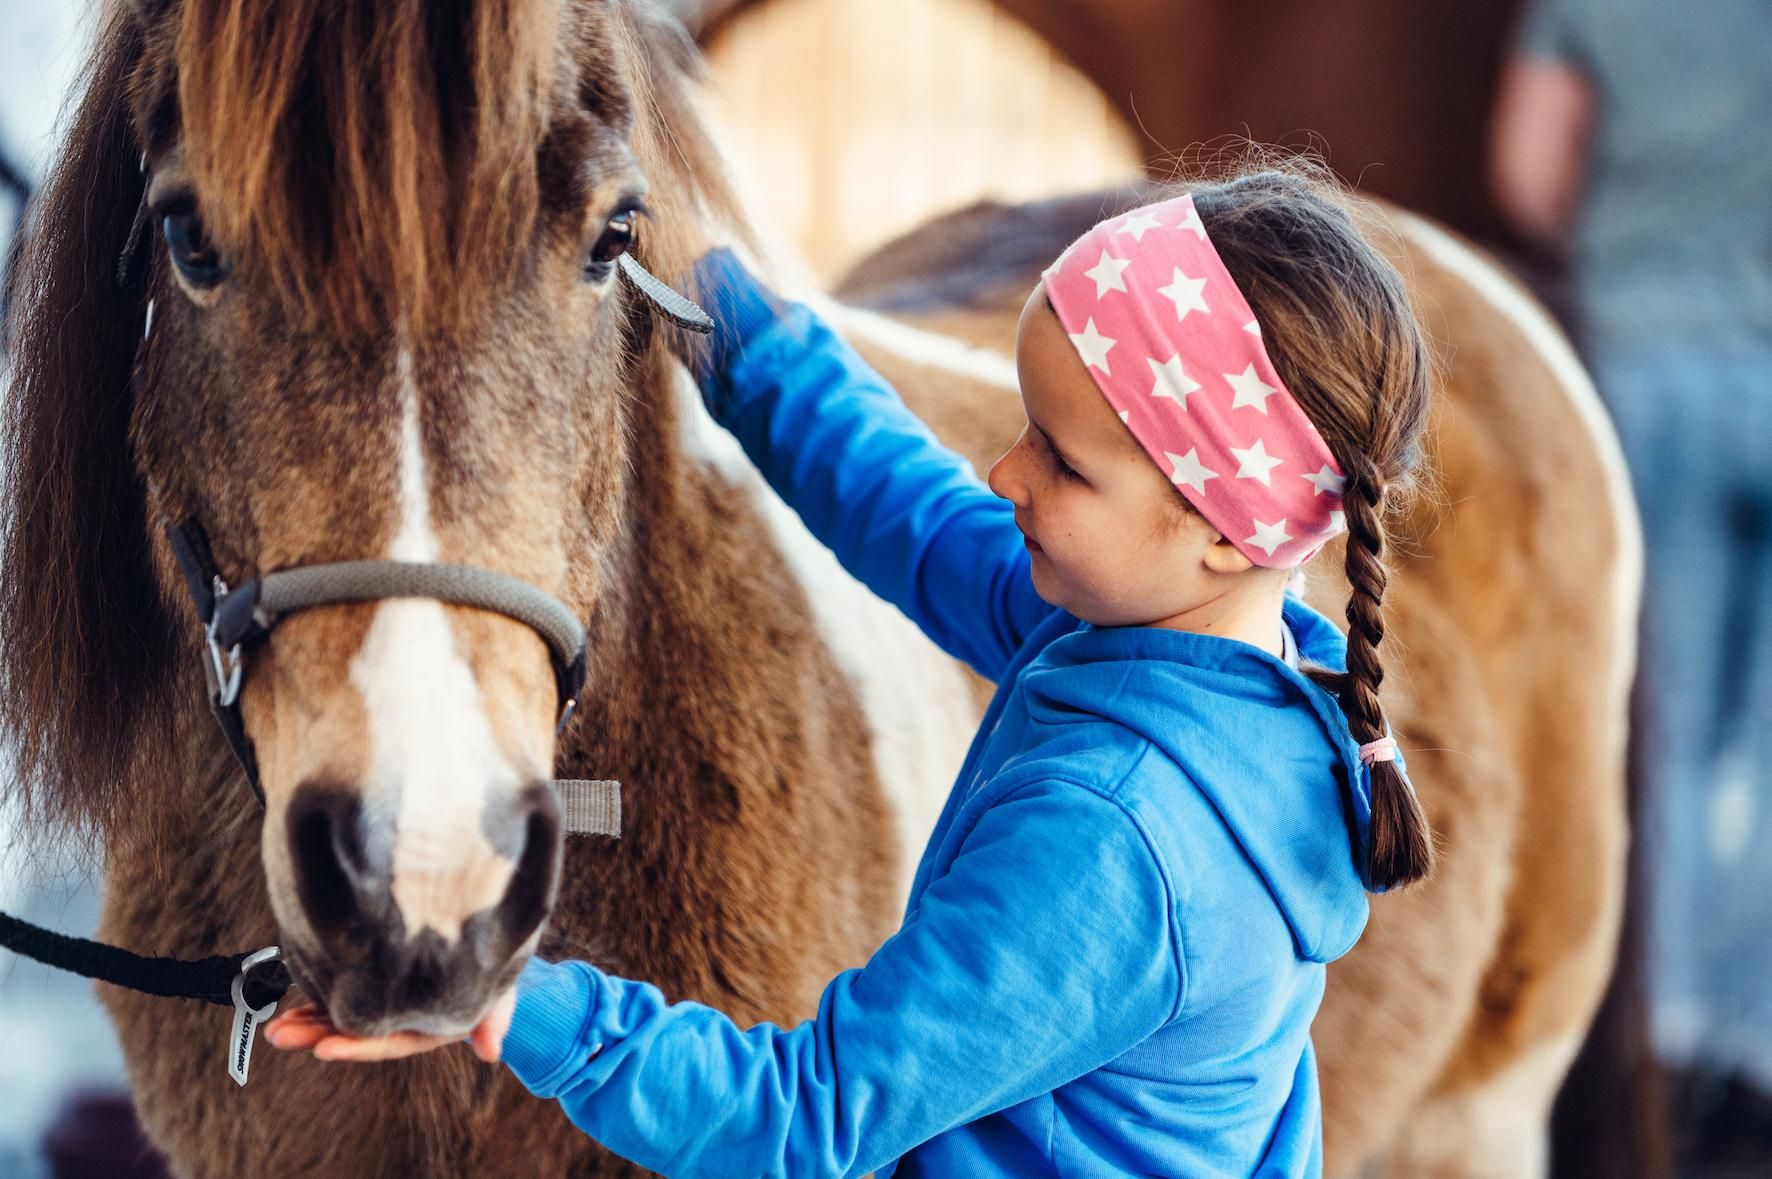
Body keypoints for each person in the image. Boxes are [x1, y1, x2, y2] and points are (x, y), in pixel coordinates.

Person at [263, 165, 1435, 1178]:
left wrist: (518, 1006)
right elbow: (916, 520)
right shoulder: (1232, 658)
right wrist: (735, 327)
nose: (1001, 473)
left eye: (1062, 464)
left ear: (1224, 528)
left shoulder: (1113, 838)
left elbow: (808, 1118)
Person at [1489, 0, 1772, 1129]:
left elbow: (1524, 172)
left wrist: (1633, 233)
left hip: (1646, 358)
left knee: (1660, 721)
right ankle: (1751, 1044)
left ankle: (1664, 1034)